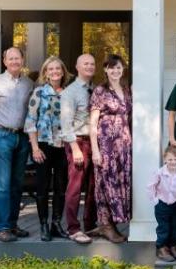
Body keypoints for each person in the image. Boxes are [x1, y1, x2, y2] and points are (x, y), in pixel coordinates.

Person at [0, 46, 33, 243]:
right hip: (1, 136)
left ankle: (12, 224)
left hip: (22, 137)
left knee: (17, 184)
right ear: (4, 61)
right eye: (10, 59)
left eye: (17, 58)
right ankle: (1, 227)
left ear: (22, 60)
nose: (14, 62)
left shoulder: (29, 83)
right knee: (2, 184)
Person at [24, 55, 70, 241]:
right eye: (50, 69)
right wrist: (34, 148)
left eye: (57, 68)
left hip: (62, 145)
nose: (54, 72)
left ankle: (56, 224)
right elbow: (30, 121)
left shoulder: (68, 93)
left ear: (63, 72)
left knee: (60, 187)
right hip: (43, 145)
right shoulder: (39, 93)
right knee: (42, 188)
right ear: (45, 73)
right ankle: (43, 224)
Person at [89, 54, 132, 243]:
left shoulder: (126, 89)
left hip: (123, 145)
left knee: (121, 183)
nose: (116, 71)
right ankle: (106, 225)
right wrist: (95, 150)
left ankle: (112, 224)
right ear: (105, 69)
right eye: (112, 67)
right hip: (105, 145)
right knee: (105, 185)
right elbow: (92, 123)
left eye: (119, 67)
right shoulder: (100, 91)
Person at [60, 53, 97, 243]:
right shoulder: (70, 92)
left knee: (93, 186)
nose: (90, 67)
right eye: (86, 64)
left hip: (93, 143)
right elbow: (66, 124)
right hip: (78, 142)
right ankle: (73, 228)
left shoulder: (95, 89)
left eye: (92, 64)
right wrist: (74, 148)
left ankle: (90, 226)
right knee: (74, 187)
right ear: (77, 67)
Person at [148, 144, 176, 262]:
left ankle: (173, 247)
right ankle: (162, 248)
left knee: (175, 226)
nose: (173, 162)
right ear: (165, 159)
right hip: (162, 203)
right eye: (170, 159)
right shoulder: (159, 172)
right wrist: (155, 200)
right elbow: (151, 186)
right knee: (164, 227)